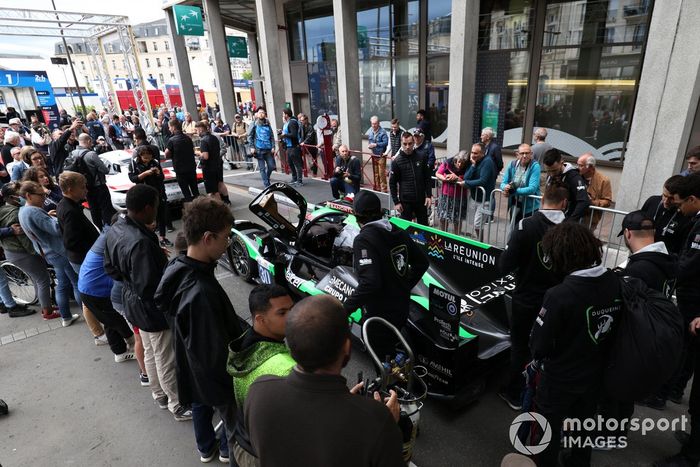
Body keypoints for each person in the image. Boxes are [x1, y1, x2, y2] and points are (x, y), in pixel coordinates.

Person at [244, 295, 404, 467]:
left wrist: (349, 405)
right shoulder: (376, 420)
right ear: (346, 347)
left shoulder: (259, 390)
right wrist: (387, 425)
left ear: (291, 344)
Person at [156, 196, 243, 464]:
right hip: (217, 382)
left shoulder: (179, 266)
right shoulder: (201, 293)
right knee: (236, 433)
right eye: (226, 237)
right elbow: (215, 357)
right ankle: (229, 453)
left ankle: (208, 448)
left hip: (192, 369)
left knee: (206, 409)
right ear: (208, 238)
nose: (227, 243)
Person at [530, 222, 622, 467]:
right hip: (596, 374)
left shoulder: (558, 294)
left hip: (560, 378)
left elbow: (539, 345)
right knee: (584, 425)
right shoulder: (614, 281)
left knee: (548, 429)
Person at [104, 184, 191, 421]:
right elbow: (151, 287)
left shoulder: (116, 228)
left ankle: (159, 394)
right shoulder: (140, 242)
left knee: (152, 351)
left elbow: (109, 268)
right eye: (156, 205)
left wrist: (129, 277)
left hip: (131, 301)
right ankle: (177, 404)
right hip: (150, 308)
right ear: (146, 208)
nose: (158, 210)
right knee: (165, 355)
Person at [497, 183, 567, 410]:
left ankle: (514, 392)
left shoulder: (526, 225)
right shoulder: (572, 229)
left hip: (526, 298)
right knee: (549, 347)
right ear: (564, 203)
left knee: (519, 346)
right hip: (557, 302)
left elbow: (505, 265)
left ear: (542, 199)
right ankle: (541, 391)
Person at [343, 190, 429, 359]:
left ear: (357, 216)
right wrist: (403, 287)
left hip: (379, 316)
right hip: (401, 308)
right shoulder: (398, 231)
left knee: (382, 362)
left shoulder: (363, 239)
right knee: (392, 356)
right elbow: (422, 263)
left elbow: (370, 283)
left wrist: (344, 309)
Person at [655, 173, 700, 467]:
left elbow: (689, 264)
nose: (678, 208)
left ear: (693, 199)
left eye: (681, 203)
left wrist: (659, 264)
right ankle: (696, 441)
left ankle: (691, 456)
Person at [616, 210, 678, 412]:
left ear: (628, 233)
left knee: (618, 401)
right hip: (653, 338)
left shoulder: (639, 269)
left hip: (634, 341)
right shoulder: (666, 259)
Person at [227, 285, 296, 466]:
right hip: (265, 456)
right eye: (282, 313)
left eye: (292, 309)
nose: (293, 317)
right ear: (260, 319)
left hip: (243, 441)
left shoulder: (244, 345)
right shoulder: (285, 369)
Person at [18, 181, 80, 327]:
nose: (44, 198)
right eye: (41, 195)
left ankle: (66, 317)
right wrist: (59, 218)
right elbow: (57, 229)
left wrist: (47, 216)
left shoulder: (23, 210)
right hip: (58, 251)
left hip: (50, 253)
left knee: (63, 284)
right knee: (77, 283)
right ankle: (93, 318)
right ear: (29, 195)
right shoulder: (33, 212)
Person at [56, 171, 108, 344]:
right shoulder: (69, 210)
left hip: (82, 257)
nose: (86, 190)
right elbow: (70, 242)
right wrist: (92, 251)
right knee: (89, 296)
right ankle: (98, 333)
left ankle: (100, 331)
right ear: (71, 189)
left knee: (88, 294)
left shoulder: (68, 204)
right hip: (83, 259)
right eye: (83, 187)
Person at [78, 225, 136, 363]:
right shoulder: (116, 240)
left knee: (110, 321)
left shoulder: (107, 236)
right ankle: (128, 349)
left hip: (88, 289)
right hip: (96, 292)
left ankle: (120, 351)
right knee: (118, 321)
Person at [0, 183, 52, 318]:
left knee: (37, 278)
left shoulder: (5, 210)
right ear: (12, 197)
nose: (23, 194)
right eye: (19, 192)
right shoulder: (15, 213)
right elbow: (25, 241)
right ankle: (47, 311)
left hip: (11, 252)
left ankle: (45, 304)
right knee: (42, 279)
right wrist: (39, 253)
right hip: (22, 252)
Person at [128, 145, 172, 247]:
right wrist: (145, 174)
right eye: (145, 158)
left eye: (149, 157)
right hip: (143, 194)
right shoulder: (134, 163)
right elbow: (133, 178)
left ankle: (163, 237)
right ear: (140, 156)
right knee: (147, 217)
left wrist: (158, 173)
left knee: (161, 214)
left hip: (158, 192)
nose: (147, 159)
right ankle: (149, 238)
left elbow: (162, 177)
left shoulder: (155, 162)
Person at [69, 133, 115, 229]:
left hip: (86, 187)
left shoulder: (72, 154)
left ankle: (99, 228)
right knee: (106, 208)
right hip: (99, 186)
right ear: (89, 141)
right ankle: (110, 229)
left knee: (93, 209)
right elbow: (105, 170)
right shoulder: (91, 154)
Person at [641, 175, 692, 254]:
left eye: (671, 198)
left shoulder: (686, 214)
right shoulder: (652, 201)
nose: (666, 201)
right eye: (664, 195)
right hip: (641, 252)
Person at [389, 132, 432, 225]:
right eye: (405, 144)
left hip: (421, 200)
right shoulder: (396, 161)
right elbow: (392, 183)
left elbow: (427, 177)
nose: (407, 147)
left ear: (413, 143)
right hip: (405, 202)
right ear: (401, 143)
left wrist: (429, 195)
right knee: (405, 229)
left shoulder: (422, 157)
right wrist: (396, 202)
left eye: (410, 143)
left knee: (424, 228)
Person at [542, 148, 591, 222]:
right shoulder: (550, 175)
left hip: (566, 220)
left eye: (554, 170)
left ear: (562, 162)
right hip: (550, 219)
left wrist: (570, 221)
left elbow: (584, 201)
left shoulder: (574, 177)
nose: (551, 174)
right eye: (548, 171)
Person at [500, 143, 541, 223]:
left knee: (527, 229)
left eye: (527, 153)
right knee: (514, 228)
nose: (524, 156)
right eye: (522, 153)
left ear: (531, 154)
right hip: (515, 204)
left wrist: (512, 191)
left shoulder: (535, 166)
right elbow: (503, 183)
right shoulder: (512, 164)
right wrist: (505, 188)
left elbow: (532, 189)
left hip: (530, 207)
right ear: (517, 155)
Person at [463, 143, 497, 237]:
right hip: (474, 198)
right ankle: (478, 240)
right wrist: (473, 166)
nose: (473, 155)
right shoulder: (473, 161)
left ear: (482, 153)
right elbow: (466, 177)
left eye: (476, 153)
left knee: (477, 225)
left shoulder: (488, 161)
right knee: (474, 224)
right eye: (472, 152)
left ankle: (480, 242)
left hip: (485, 200)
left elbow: (483, 181)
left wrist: (466, 183)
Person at [435, 150, 470, 233]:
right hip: (445, 195)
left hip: (459, 197)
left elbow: (468, 181)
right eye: (459, 162)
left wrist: (457, 178)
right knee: (443, 217)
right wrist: (445, 178)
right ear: (456, 159)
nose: (460, 165)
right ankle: (444, 235)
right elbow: (438, 173)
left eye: (463, 163)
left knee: (457, 219)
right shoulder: (448, 162)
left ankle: (456, 237)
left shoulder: (469, 167)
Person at [165, 118, 200, 202]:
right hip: (191, 168)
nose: (169, 129)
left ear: (173, 127)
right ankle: (200, 206)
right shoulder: (188, 138)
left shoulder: (171, 140)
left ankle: (191, 208)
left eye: (169, 127)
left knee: (186, 193)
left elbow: (166, 154)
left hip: (180, 170)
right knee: (195, 191)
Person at [196, 121, 230, 204]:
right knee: (220, 184)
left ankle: (220, 207)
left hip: (209, 168)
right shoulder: (214, 137)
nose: (196, 132)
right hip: (217, 164)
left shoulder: (203, 140)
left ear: (200, 130)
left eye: (196, 130)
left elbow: (206, 156)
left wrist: (198, 153)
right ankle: (226, 201)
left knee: (213, 191)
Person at [577, 153, 613, 230]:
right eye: (578, 165)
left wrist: (592, 202)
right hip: (574, 215)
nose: (578, 168)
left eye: (581, 165)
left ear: (590, 167)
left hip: (590, 219)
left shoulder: (603, 180)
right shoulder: (575, 176)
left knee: (584, 236)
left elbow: (607, 201)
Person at [247, 108, 276, 188]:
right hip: (259, 149)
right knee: (262, 168)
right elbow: (249, 136)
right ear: (257, 114)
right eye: (260, 112)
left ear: (265, 114)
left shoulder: (267, 123)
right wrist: (252, 147)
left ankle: (267, 178)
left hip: (268, 149)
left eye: (263, 112)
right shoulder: (254, 123)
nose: (261, 114)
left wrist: (273, 146)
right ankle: (267, 184)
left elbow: (272, 136)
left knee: (271, 166)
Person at [280, 108, 303, 186]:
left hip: (294, 146)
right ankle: (294, 178)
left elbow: (294, 134)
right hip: (289, 146)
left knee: (297, 164)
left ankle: (299, 180)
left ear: (286, 115)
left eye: (283, 114)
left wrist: (284, 135)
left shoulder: (292, 122)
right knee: (290, 163)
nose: (282, 115)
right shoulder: (287, 123)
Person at [367, 116, 389, 193]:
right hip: (374, 154)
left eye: (375, 123)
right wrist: (369, 145)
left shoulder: (383, 132)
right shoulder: (370, 131)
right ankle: (377, 187)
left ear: (378, 123)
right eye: (372, 124)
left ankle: (384, 189)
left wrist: (376, 144)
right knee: (375, 173)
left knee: (381, 173)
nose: (373, 125)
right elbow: (369, 141)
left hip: (381, 155)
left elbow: (386, 143)